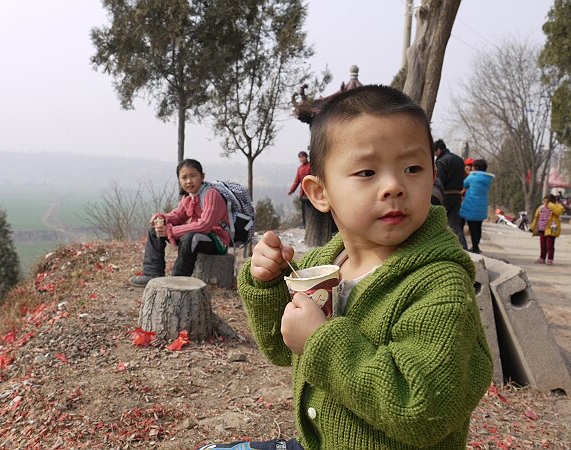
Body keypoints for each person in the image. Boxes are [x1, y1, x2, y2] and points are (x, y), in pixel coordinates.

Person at [200, 85, 492, 450]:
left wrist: (321, 341)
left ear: (432, 176)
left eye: (413, 168)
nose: (394, 186)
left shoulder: (439, 285)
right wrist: (269, 284)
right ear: (320, 193)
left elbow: (422, 407)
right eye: (367, 172)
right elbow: (282, 348)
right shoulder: (324, 264)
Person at [128, 159, 231, 287]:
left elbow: (204, 225)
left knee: (191, 236)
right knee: (155, 230)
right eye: (184, 177)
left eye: (193, 176)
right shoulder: (189, 197)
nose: (189, 181)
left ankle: (179, 279)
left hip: (217, 241)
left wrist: (171, 231)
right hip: (197, 237)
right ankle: (152, 274)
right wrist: (162, 219)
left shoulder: (211, 195)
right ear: (179, 180)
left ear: (202, 176)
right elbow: (177, 216)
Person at [434, 139, 467, 249]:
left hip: (445, 196)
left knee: (438, 224)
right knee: (456, 225)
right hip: (457, 195)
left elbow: (439, 181)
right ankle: (463, 249)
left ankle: (441, 249)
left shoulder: (441, 161)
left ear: (438, 149)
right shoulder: (458, 159)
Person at [459, 159, 494, 254]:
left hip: (471, 206)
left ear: (476, 167)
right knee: (478, 227)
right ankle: (476, 246)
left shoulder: (472, 177)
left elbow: (463, 184)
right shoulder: (487, 179)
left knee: (472, 227)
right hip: (482, 207)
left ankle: (474, 247)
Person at [530, 194, 565, 265]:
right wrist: (532, 227)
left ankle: (550, 259)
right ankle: (542, 258)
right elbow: (536, 218)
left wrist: (551, 205)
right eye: (544, 201)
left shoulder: (556, 207)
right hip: (541, 230)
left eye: (547, 202)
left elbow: (559, 212)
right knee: (543, 245)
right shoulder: (541, 208)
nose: (545, 203)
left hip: (551, 230)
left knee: (550, 246)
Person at [288, 151, 312, 228]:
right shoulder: (299, 169)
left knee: (311, 210)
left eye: (303, 157)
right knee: (304, 210)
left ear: (306, 157)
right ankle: (304, 224)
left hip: (311, 192)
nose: (302, 159)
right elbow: (297, 181)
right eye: (300, 158)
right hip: (303, 193)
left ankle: (310, 224)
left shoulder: (310, 166)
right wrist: (291, 190)